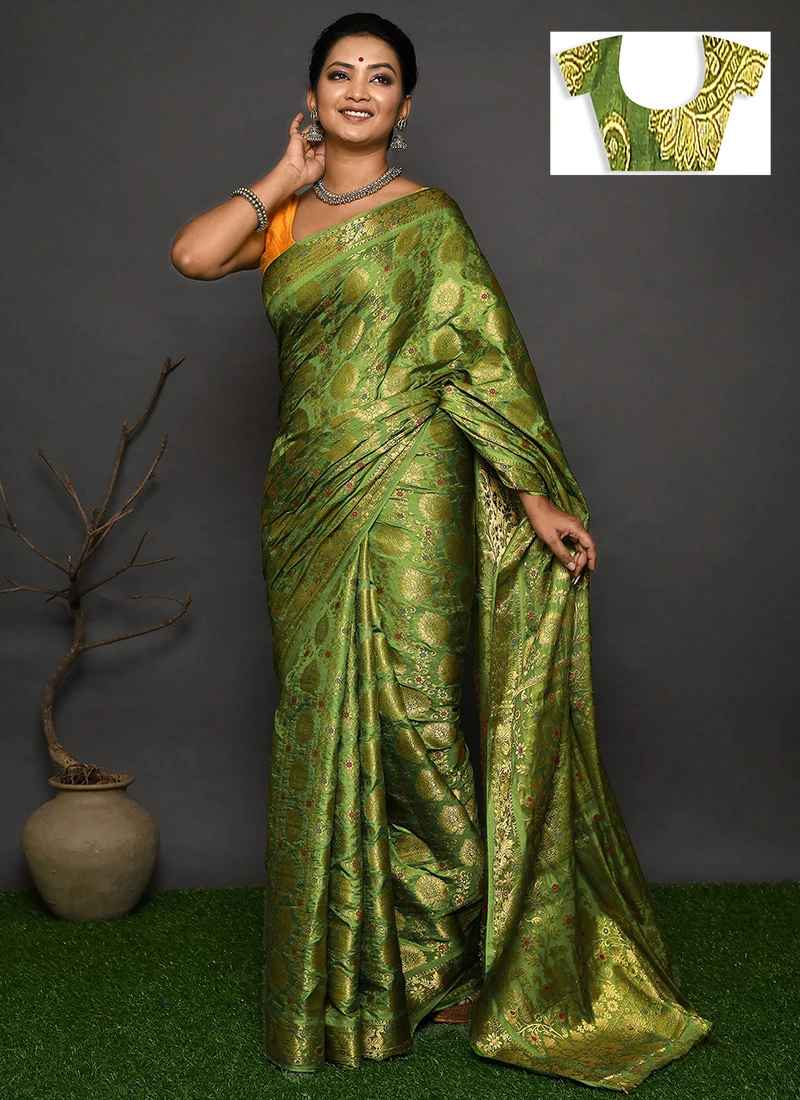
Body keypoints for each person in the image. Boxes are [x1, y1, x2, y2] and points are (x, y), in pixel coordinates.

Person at [171, 11, 711, 1092]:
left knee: (417, 718)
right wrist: (284, 174)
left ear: (405, 105)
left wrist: (533, 495)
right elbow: (194, 255)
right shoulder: (287, 216)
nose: (357, 91)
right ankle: (362, 962)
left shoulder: (432, 221)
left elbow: (480, 364)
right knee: (323, 715)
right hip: (306, 495)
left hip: (414, 484)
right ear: (312, 96)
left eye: (380, 78)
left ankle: (455, 952)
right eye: (338, 75)